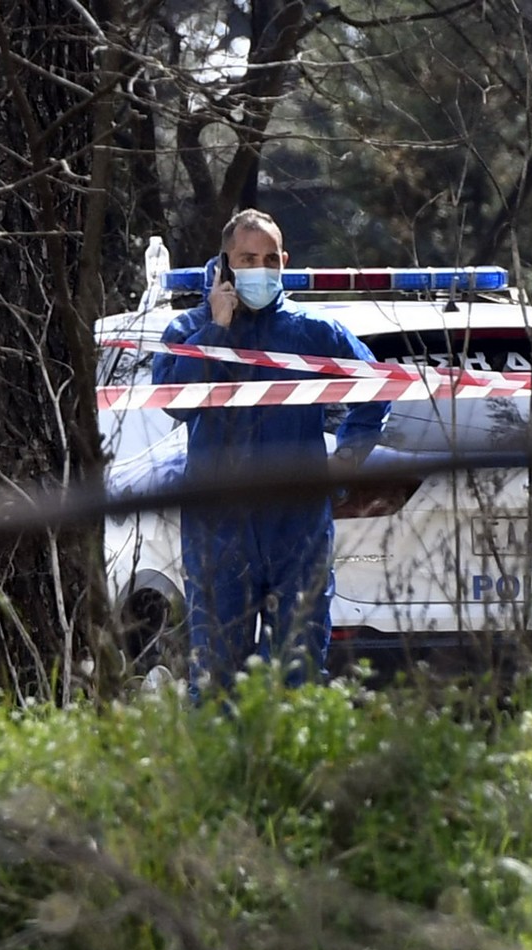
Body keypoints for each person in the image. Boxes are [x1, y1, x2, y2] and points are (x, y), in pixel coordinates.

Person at [154, 209, 390, 702]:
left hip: (297, 527)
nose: (259, 269)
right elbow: (172, 402)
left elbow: (379, 387)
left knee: (299, 679)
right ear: (224, 264)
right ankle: (222, 779)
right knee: (217, 682)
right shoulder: (188, 330)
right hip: (218, 528)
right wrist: (217, 330)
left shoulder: (312, 332)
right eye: (246, 258)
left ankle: (294, 779)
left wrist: (341, 467)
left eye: (269, 259)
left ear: (283, 262)